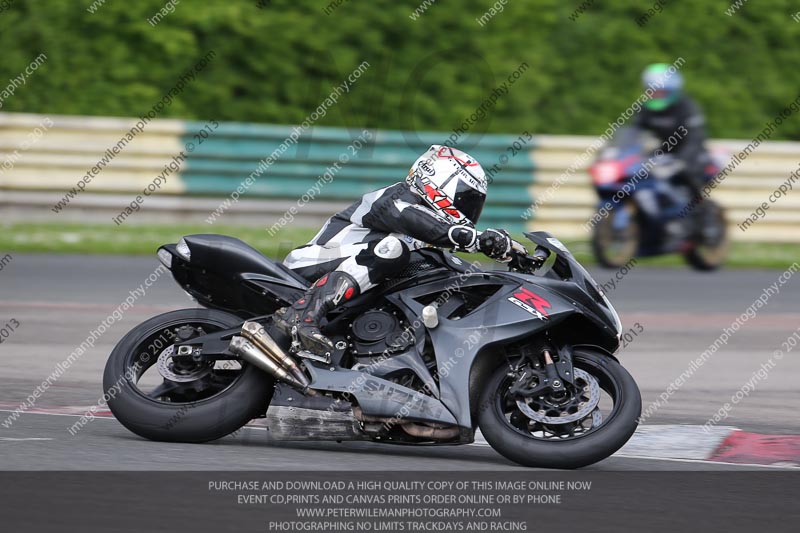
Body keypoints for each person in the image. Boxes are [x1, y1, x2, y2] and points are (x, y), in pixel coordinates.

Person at [276, 144, 524, 358]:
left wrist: (513, 262)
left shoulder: (428, 234)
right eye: (466, 197)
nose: (469, 209)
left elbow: (443, 252)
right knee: (393, 249)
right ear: (440, 180)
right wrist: (476, 239)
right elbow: (419, 222)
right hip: (310, 263)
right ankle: (301, 314)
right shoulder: (396, 197)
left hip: (353, 284)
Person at [635, 63, 710, 199]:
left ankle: (699, 209)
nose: (656, 95)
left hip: (687, 157)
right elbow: (633, 132)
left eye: (660, 92)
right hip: (658, 157)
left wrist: (682, 161)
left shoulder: (687, 107)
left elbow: (695, 138)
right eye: (652, 91)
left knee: (689, 175)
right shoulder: (644, 109)